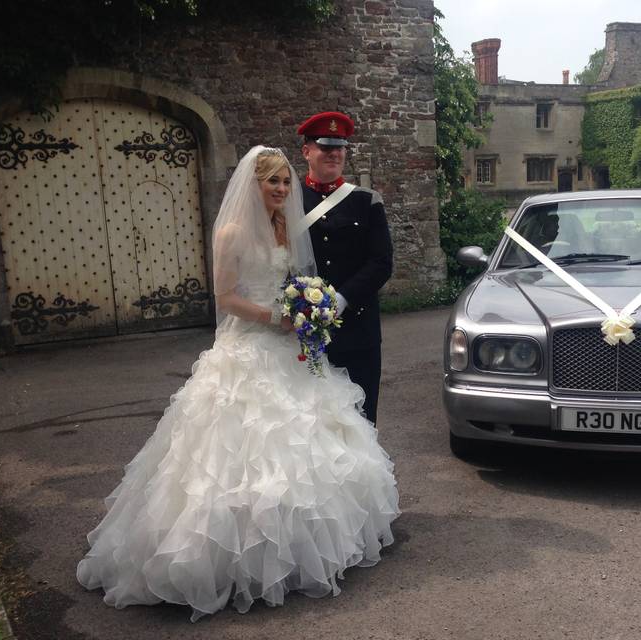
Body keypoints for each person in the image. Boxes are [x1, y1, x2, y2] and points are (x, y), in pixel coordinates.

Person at [76, 146, 399, 622]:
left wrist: (302, 310)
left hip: (287, 348)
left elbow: (299, 279)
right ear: (254, 185)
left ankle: (299, 548)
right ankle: (228, 557)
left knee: (307, 445)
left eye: (286, 184)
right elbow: (224, 297)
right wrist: (275, 317)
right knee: (235, 456)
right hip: (248, 346)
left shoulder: (286, 228)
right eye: (273, 183)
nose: (282, 191)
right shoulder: (230, 233)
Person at [298, 112, 393, 425]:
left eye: (339, 147)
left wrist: (343, 298)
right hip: (305, 335)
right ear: (307, 151)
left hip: (358, 334)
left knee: (360, 422)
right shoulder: (291, 200)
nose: (334, 153)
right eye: (325, 146)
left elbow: (381, 262)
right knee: (311, 426)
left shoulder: (366, 201)